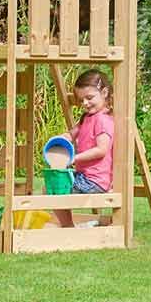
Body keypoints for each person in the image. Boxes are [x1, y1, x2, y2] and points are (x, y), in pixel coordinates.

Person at [53, 69, 115, 228]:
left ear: (104, 93)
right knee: (50, 186)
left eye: (89, 98)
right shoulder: (87, 117)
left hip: (95, 181)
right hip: (84, 177)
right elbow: (71, 134)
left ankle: (68, 228)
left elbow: (101, 150)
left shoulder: (103, 120)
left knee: (56, 189)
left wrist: (73, 158)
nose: (85, 103)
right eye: (81, 100)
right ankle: (68, 227)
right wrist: (62, 139)